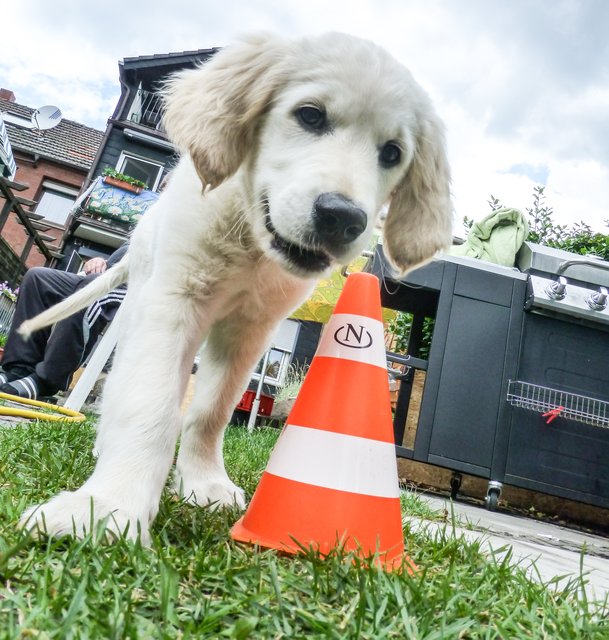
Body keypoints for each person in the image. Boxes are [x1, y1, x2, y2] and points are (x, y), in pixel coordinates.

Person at [0, 243, 128, 400]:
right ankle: (19, 370)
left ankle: (46, 382)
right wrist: (99, 262)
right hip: (108, 276)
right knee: (37, 278)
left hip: (137, 290)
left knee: (92, 288)